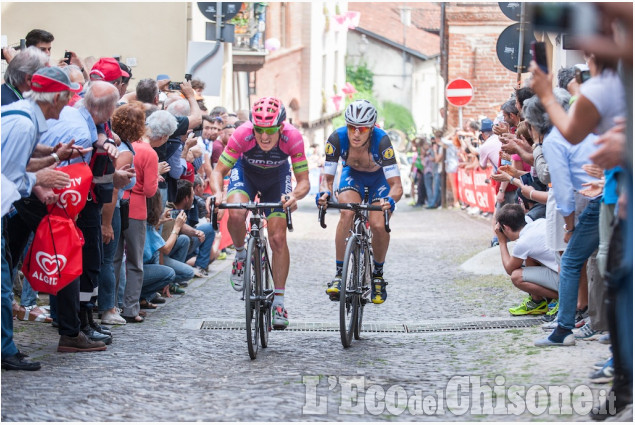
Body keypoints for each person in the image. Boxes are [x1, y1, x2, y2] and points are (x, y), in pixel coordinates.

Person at [2, 66, 98, 365]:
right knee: (4, 286)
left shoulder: (21, 114)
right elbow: (9, 176)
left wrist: (56, 157)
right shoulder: (25, 124)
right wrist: (42, 179)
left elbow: (23, 157)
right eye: (67, 97)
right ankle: (6, 351)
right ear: (55, 97)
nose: (69, 104)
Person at [209, 96, 310, 329]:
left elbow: (304, 181)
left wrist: (294, 196)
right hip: (246, 175)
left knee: (277, 238)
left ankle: (279, 302)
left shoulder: (292, 137)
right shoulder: (242, 134)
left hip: (277, 179)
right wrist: (217, 193)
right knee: (235, 213)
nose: (264, 137)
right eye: (259, 130)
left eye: (271, 130)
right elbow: (219, 170)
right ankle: (241, 254)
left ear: (281, 127)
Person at [316, 99, 402, 304]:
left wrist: (390, 200)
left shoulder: (382, 141)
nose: (355, 133)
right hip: (352, 175)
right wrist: (324, 194)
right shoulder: (337, 138)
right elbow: (326, 180)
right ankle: (339, 274)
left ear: (371, 128)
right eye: (351, 127)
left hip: (379, 179)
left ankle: (378, 275)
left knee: (379, 224)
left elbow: (397, 185)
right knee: (346, 212)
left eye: (362, 128)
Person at [494, 204, 559, 315]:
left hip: (567, 280)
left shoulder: (524, 242)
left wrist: (501, 241)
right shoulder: (540, 222)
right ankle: (537, 301)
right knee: (530, 257)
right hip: (574, 274)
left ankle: (564, 298)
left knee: (517, 276)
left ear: (506, 228)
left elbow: (510, 269)